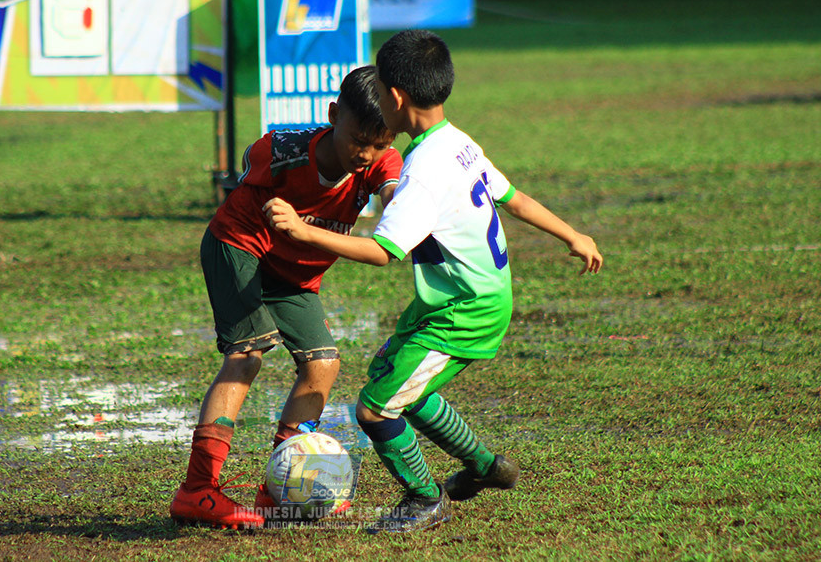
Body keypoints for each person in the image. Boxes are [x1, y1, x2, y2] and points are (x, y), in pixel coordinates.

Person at [265, 29, 603, 534]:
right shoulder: (458, 143)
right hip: (454, 300)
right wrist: (571, 233)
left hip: (463, 310)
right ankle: (486, 466)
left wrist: (302, 229)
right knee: (403, 387)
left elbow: (383, 252)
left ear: (396, 98)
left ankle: (425, 499)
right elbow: (512, 197)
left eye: (378, 90)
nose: (376, 100)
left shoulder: (423, 169)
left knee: (375, 408)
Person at [170, 65, 403, 529]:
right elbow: (250, 159)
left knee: (323, 364)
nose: (368, 153)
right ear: (334, 115)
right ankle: (197, 491)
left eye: (381, 142)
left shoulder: (382, 161)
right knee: (248, 353)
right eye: (359, 138)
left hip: (293, 274)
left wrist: (402, 202)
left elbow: (396, 196)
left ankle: (281, 487)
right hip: (239, 245)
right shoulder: (285, 152)